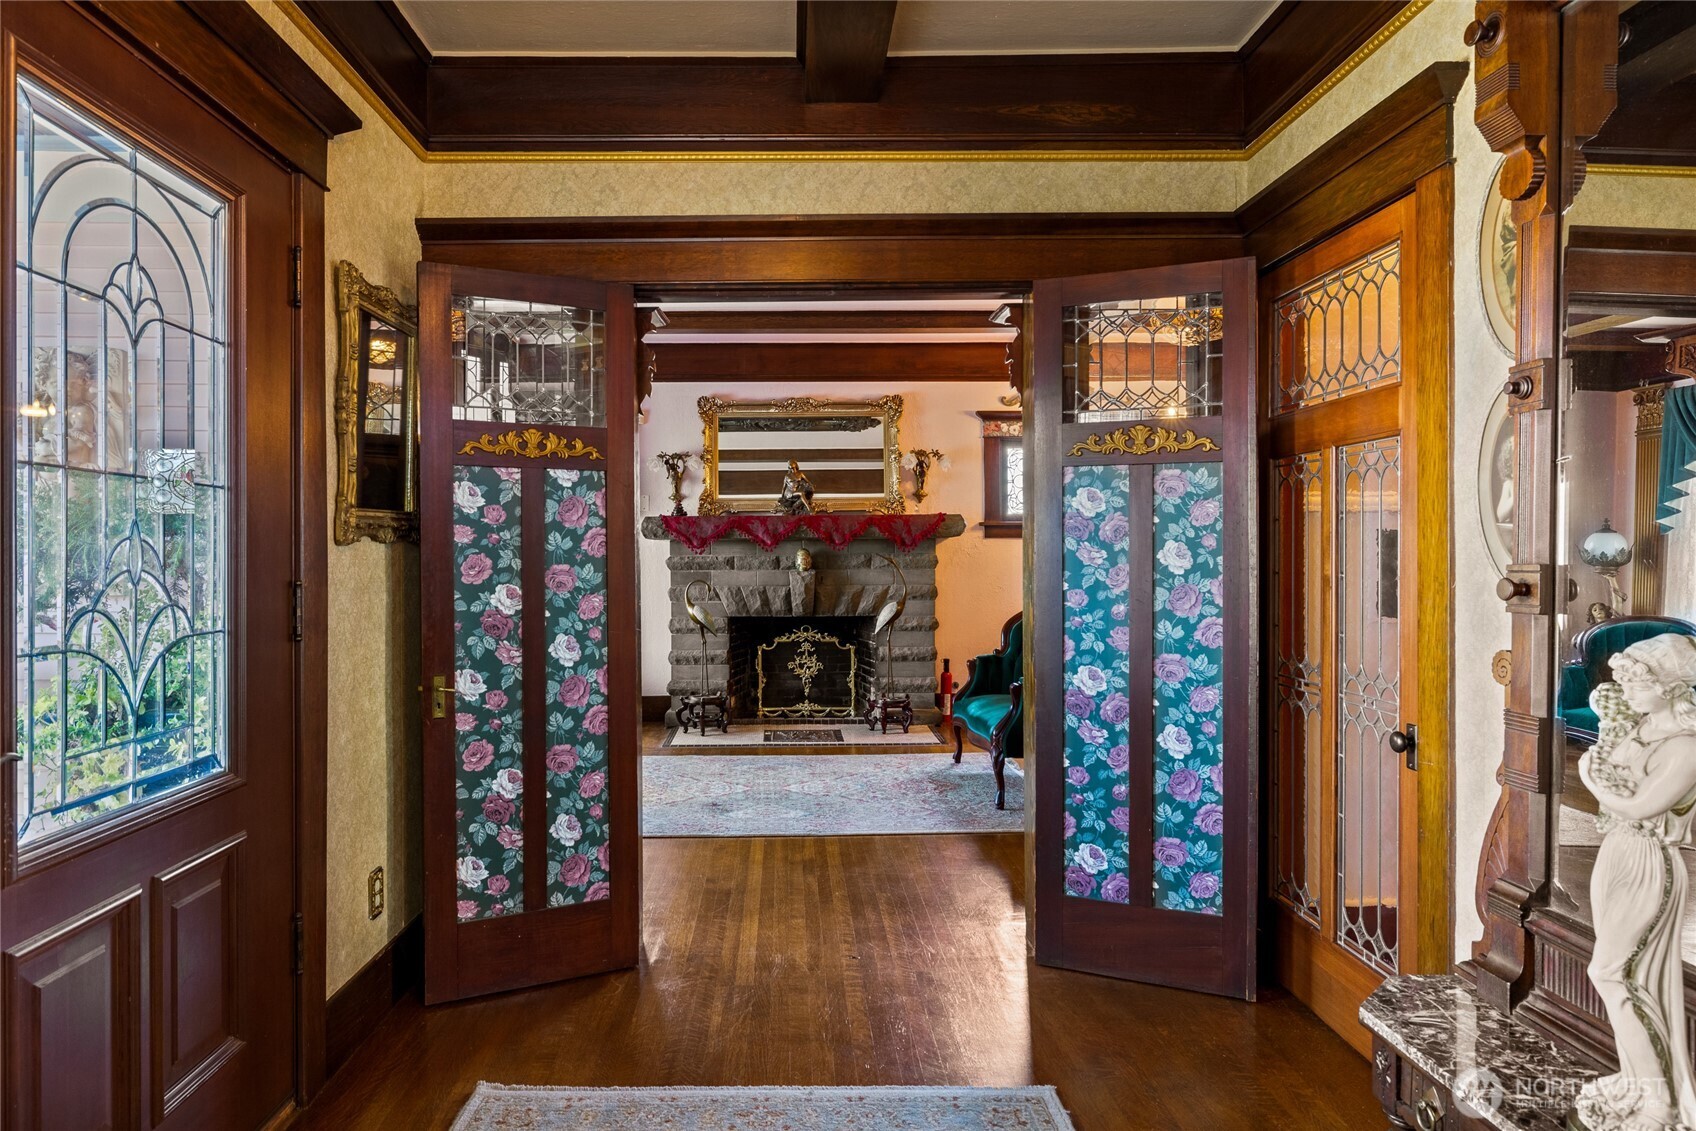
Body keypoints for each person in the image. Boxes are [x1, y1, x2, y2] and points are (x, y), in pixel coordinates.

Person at [1575, 633, 1696, 1130]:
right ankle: (1636, 1082)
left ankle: (1660, 1104)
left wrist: (1588, 776)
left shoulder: (1686, 747)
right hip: (1616, 851)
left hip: (1651, 863)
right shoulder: (1640, 725)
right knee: (1628, 975)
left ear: (1670, 686)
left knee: (1612, 972)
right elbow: (1617, 795)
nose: (1625, 688)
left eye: (1637, 680)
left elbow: (1639, 805)